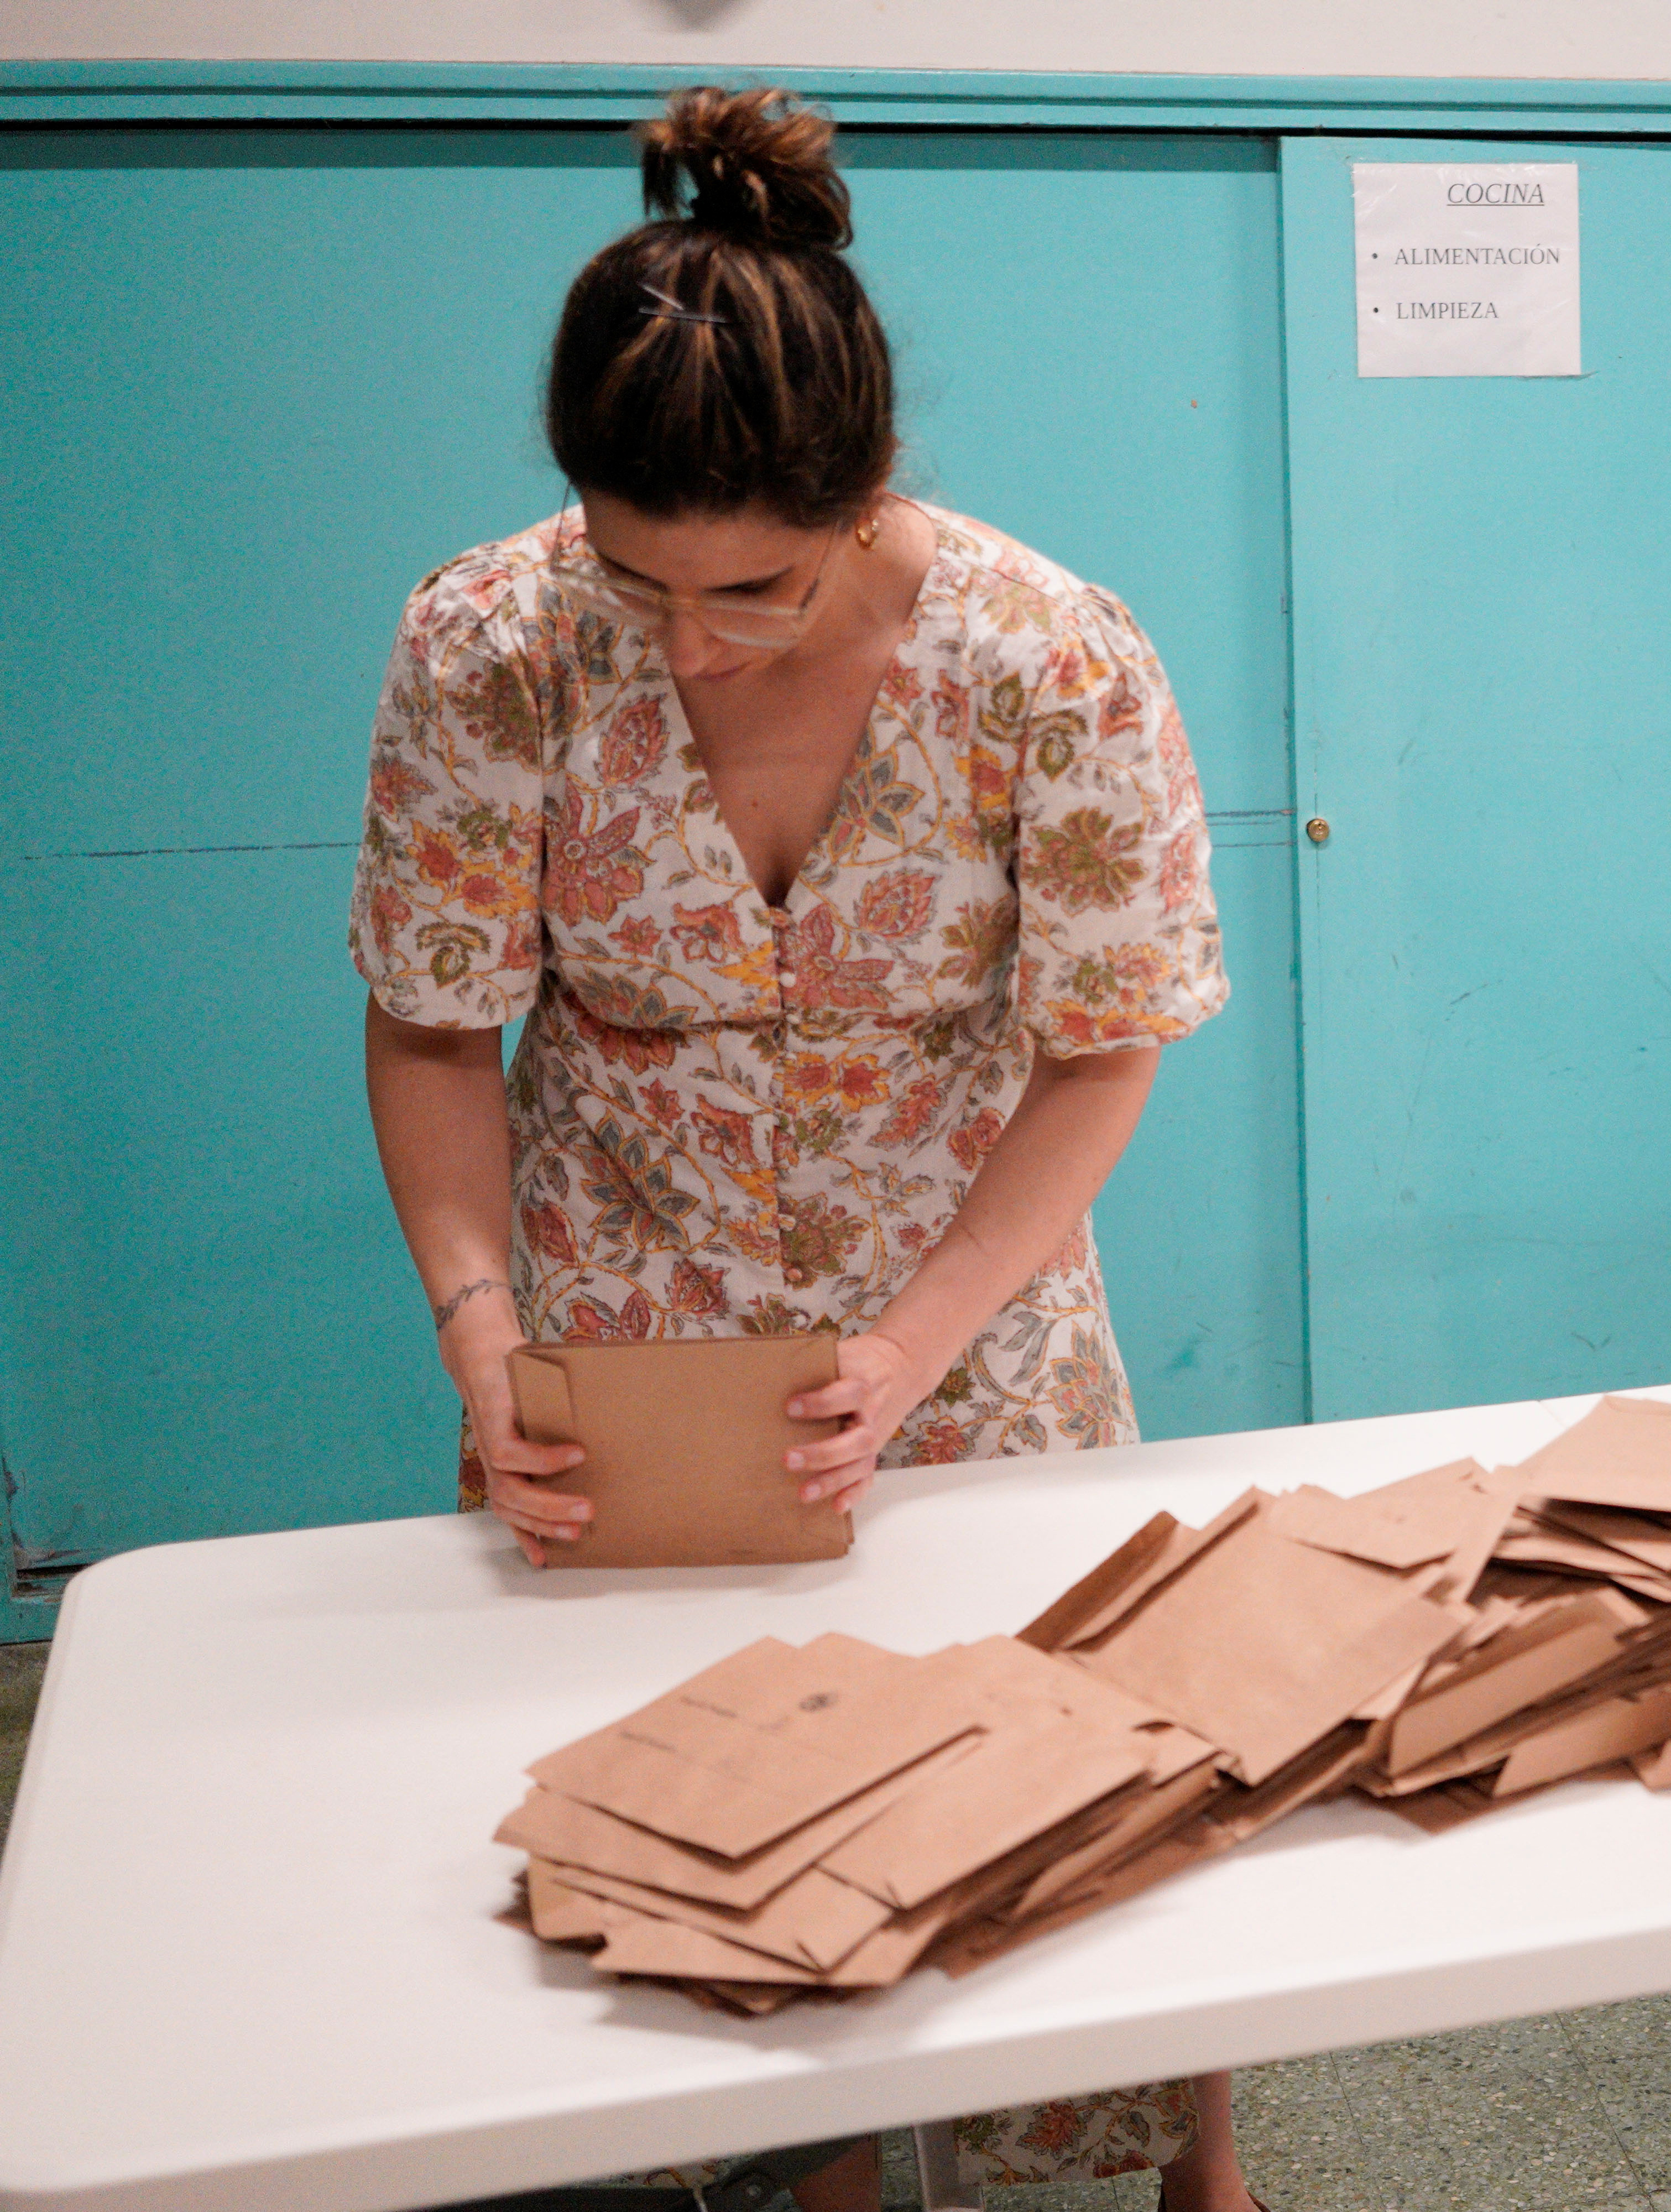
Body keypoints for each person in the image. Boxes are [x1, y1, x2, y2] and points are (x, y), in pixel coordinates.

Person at [349, 87, 1256, 2212]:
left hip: (973, 1320)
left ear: (862, 505)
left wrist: (925, 1343)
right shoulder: (490, 645)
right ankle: (809, 2181)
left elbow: (1105, 1052)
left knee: (1062, 1807)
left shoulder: (1048, 663)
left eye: (744, 586)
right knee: (730, 1852)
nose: (679, 643)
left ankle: (1196, 2175)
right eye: (628, 571)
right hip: (636, 1346)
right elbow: (427, 1025)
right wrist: (481, 1331)